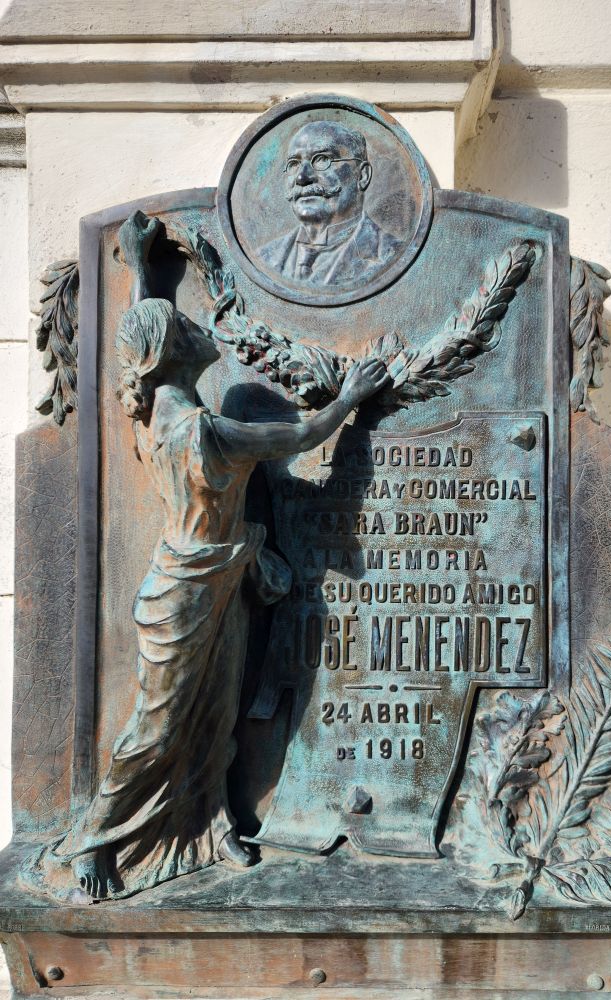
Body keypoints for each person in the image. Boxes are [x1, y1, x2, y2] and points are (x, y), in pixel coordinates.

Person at [26, 211, 389, 902]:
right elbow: (303, 433)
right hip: (186, 592)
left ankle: (213, 820)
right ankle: (93, 840)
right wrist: (350, 397)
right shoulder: (208, 431)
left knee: (217, 714)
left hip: (220, 580)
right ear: (173, 353)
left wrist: (141, 270)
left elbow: (141, 340)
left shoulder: (149, 410)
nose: (199, 328)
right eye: (186, 326)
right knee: (158, 725)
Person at [259, 120, 401, 286]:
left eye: (322, 159)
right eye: (294, 164)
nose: (302, 177)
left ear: (362, 175)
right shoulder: (264, 258)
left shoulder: (393, 255)